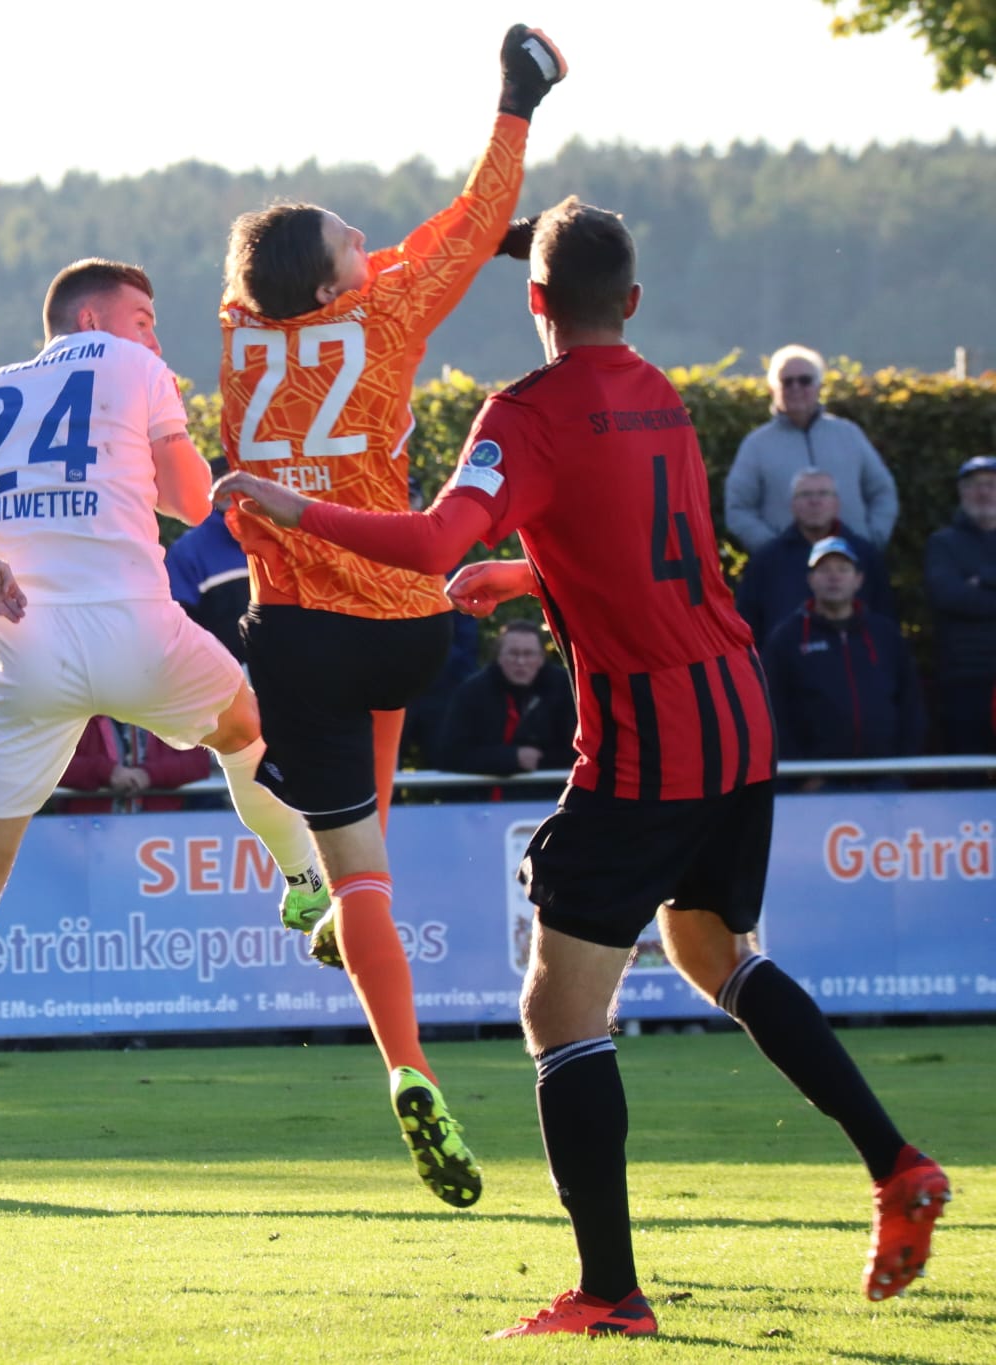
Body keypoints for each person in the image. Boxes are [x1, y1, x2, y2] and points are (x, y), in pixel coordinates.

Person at [217, 196, 949, 1337]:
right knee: (711, 952)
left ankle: (608, 1294)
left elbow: (429, 540)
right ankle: (896, 1165)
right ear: (632, 302)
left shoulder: (524, 413)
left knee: (558, 1012)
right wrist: (525, 575)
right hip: (736, 705)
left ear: (533, 300)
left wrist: (291, 506)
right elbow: (646, 547)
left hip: (648, 731)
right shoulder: (658, 392)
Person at [210, 25, 567, 1206]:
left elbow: (372, 262)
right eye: (353, 245)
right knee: (368, 806)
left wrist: (430, 246)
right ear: (332, 287)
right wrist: (514, 103)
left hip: (299, 635)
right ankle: (336, 912)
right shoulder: (384, 318)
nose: (373, 250)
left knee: (359, 873)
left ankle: (405, 1066)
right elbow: (464, 221)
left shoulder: (237, 336)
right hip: (409, 624)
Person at [0, 256, 325, 1176]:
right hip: (134, 628)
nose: (155, 333)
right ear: (92, 318)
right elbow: (190, 501)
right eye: (144, 317)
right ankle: (305, 878)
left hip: (24, 646)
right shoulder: (133, 366)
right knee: (248, 729)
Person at [762, 538, 923, 777]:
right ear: (810, 579)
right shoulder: (786, 639)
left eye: (843, 569)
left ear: (859, 579)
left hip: (885, 778)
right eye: (824, 569)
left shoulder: (886, 634)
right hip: (815, 783)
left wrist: (903, 768)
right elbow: (772, 712)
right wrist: (802, 778)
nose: (834, 577)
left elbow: (911, 704)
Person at [723, 345, 898, 552]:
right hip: (785, 565)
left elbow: (882, 492)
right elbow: (739, 508)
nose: (796, 388)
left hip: (850, 561)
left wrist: (870, 541)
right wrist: (773, 552)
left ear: (819, 386)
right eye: (787, 382)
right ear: (772, 389)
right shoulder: (756, 445)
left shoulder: (849, 434)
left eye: (804, 380)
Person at [733, 469, 892, 640]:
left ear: (836, 503)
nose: (814, 501)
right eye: (805, 494)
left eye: (823, 494)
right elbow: (747, 623)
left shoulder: (865, 556)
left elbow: (885, 619)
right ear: (792, 505)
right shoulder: (766, 561)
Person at [434, 619, 574, 790]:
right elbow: (449, 755)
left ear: (541, 658)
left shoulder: (563, 689)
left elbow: (580, 750)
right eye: (513, 654)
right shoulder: (473, 692)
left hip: (549, 795)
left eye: (528, 654)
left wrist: (541, 759)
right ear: (499, 657)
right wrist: (511, 758)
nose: (521, 662)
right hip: (483, 798)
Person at [925, 454, 996, 755]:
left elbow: (967, 596)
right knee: (967, 767)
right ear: (961, 492)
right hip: (965, 679)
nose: (984, 492)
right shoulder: (943, 543)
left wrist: (981, 579)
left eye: (991, 484)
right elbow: (949, 596)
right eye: (975, 485)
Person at [165, 459, 252, 662]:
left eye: (236, 477)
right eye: (220, 478)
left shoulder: (283, 537)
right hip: (225, 674)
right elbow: (178, 631)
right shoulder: (188, 551)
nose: (230, 488)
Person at [56, 717, 213, 814]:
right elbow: (53, 765)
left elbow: (197, 762)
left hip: (158, 834)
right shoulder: (77, 713)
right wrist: (107, 772)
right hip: (87, 834)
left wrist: (148, 775)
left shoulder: (171, 710)